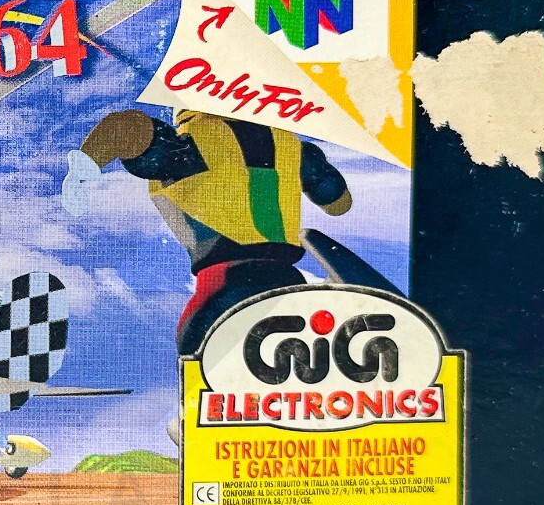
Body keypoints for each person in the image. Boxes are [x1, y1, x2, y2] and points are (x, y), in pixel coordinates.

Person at [79, 108, 352, 355]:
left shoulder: (194, 141)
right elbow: (337, 201)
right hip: (288, 278)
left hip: (224, 279)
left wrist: (84, 165)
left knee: (197, 352)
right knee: (290, 352)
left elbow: (131, 129)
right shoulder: (291, 144)